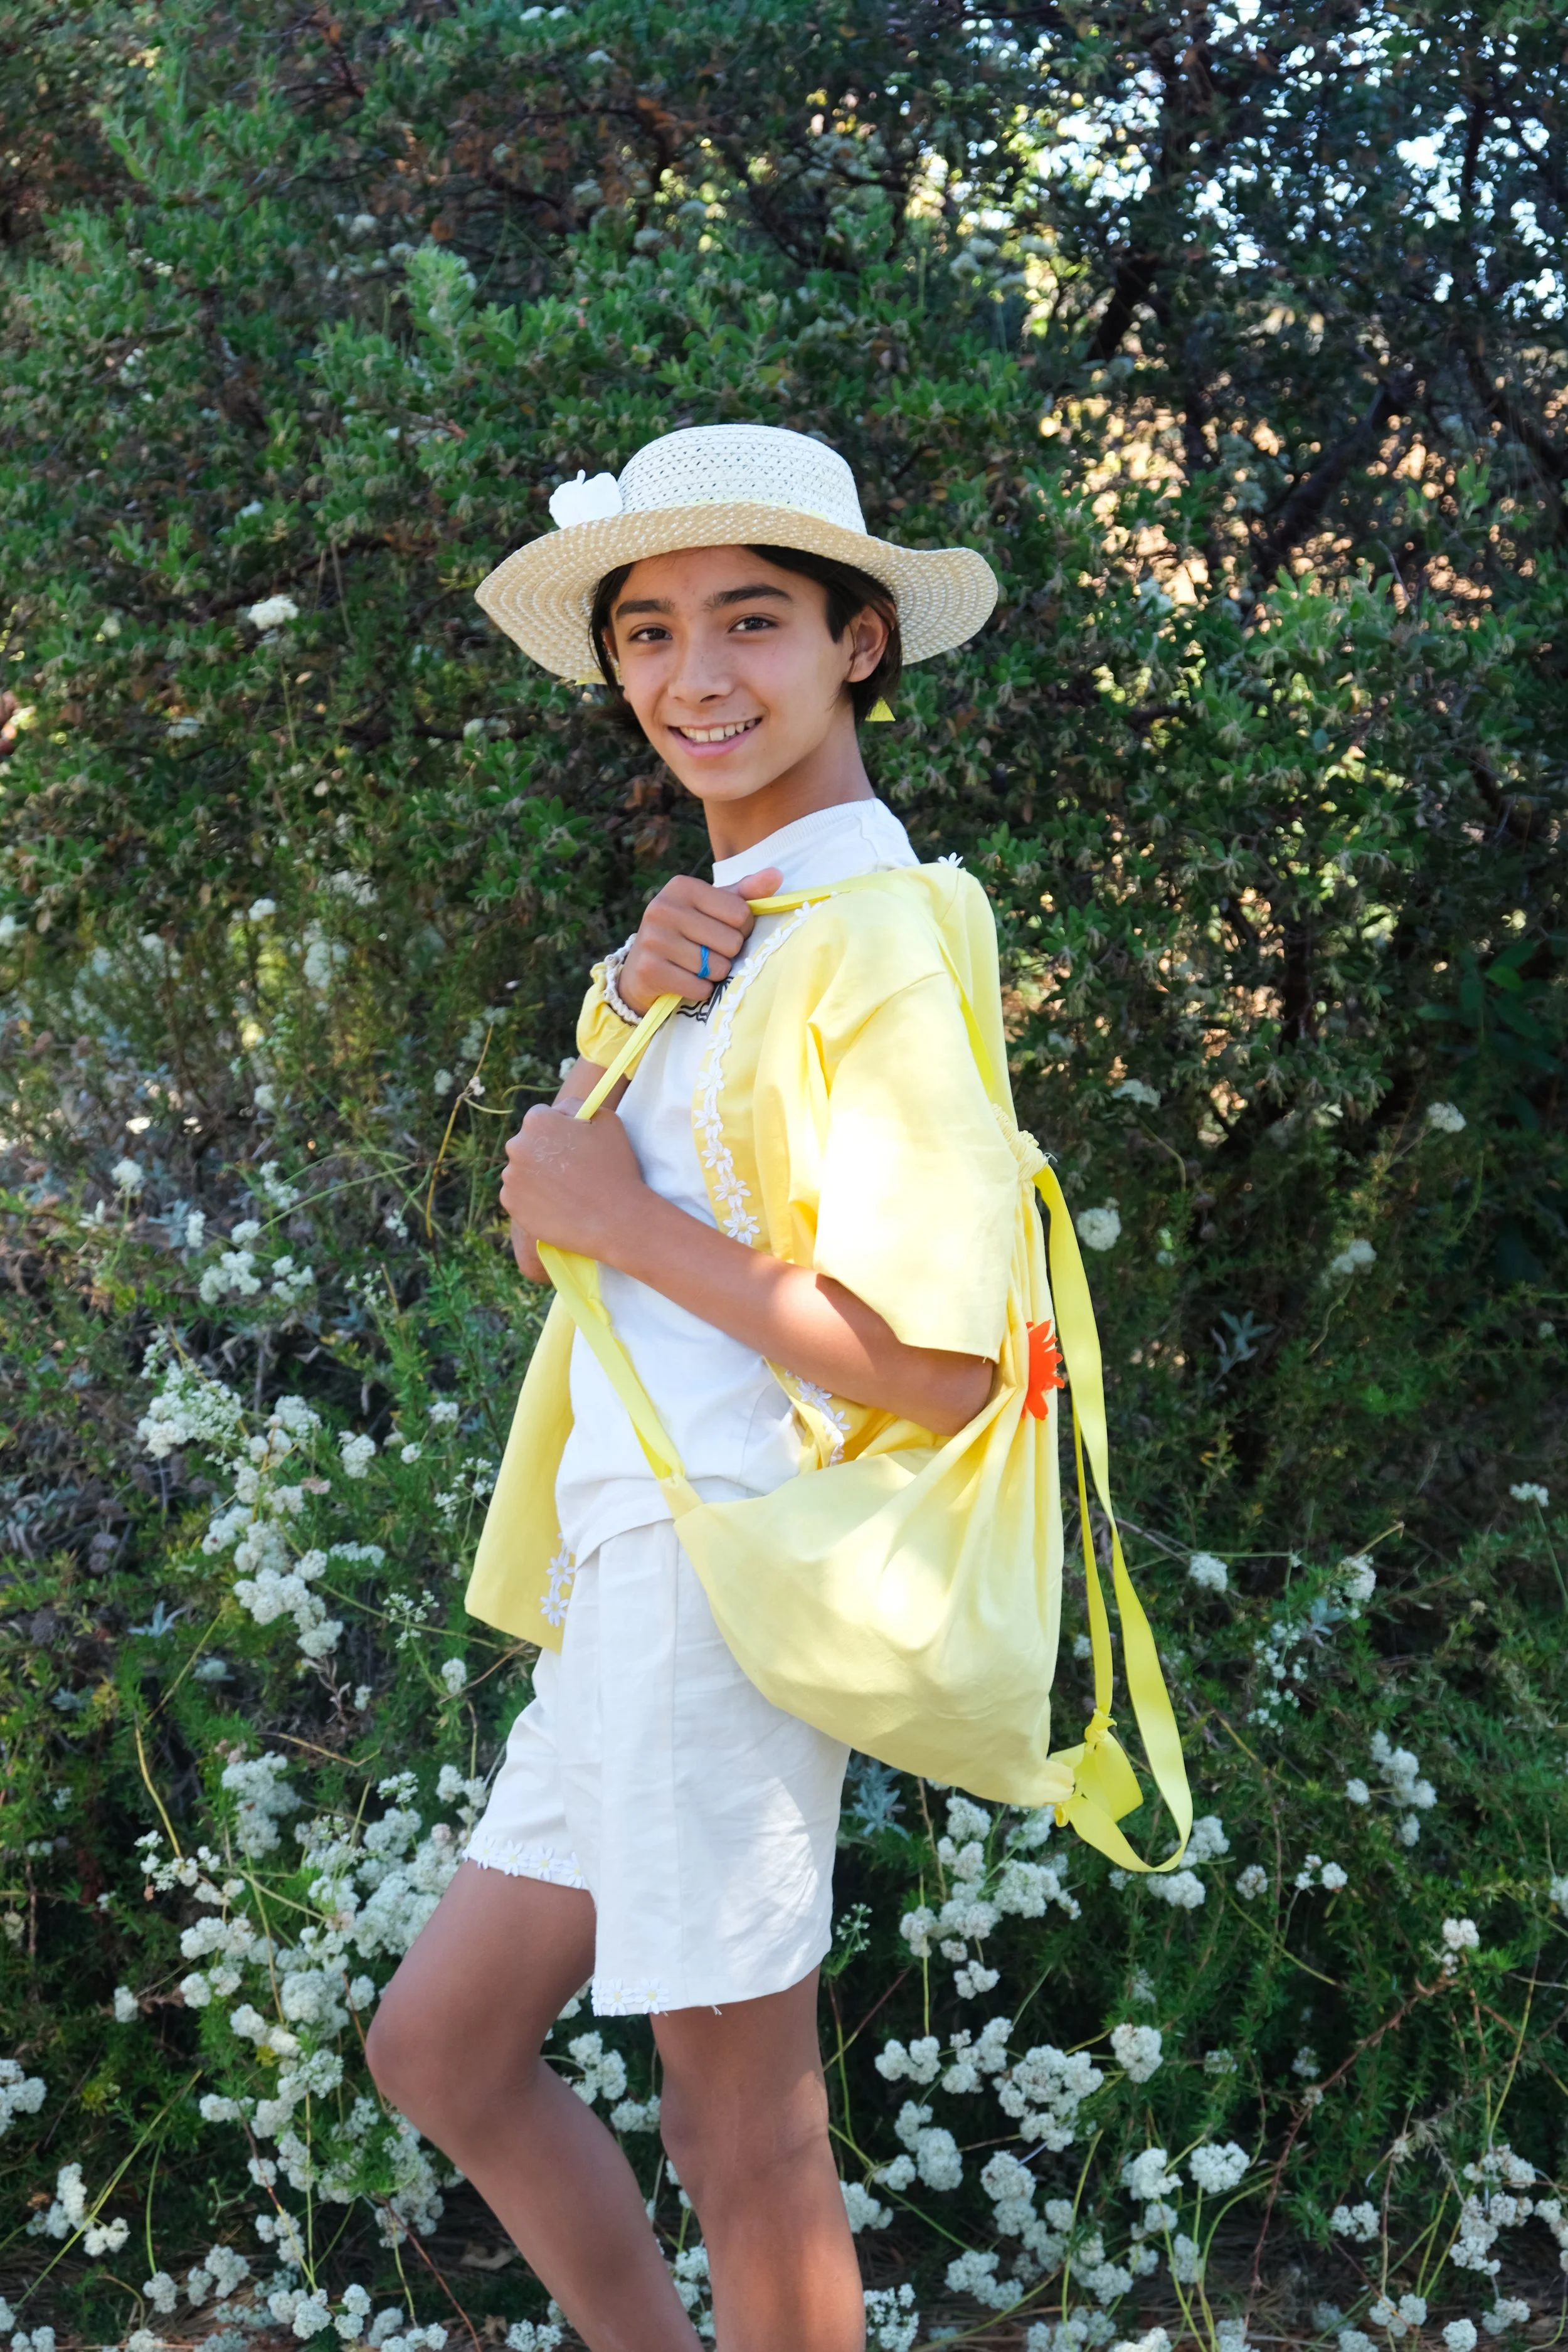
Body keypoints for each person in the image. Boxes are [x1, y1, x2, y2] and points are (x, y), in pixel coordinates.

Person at [365, 424, 1017, 2352]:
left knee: (746, 2131)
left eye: (752, 620)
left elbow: (938, 1358)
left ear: (858, 643)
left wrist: (611, 1213)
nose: (694, 677)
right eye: (648, 633)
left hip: (726, 1576)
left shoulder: (885, 933)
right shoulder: (707, 942)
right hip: (624, 1580)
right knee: (445, 2045)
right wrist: (622, 1045)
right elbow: (559, 1235)